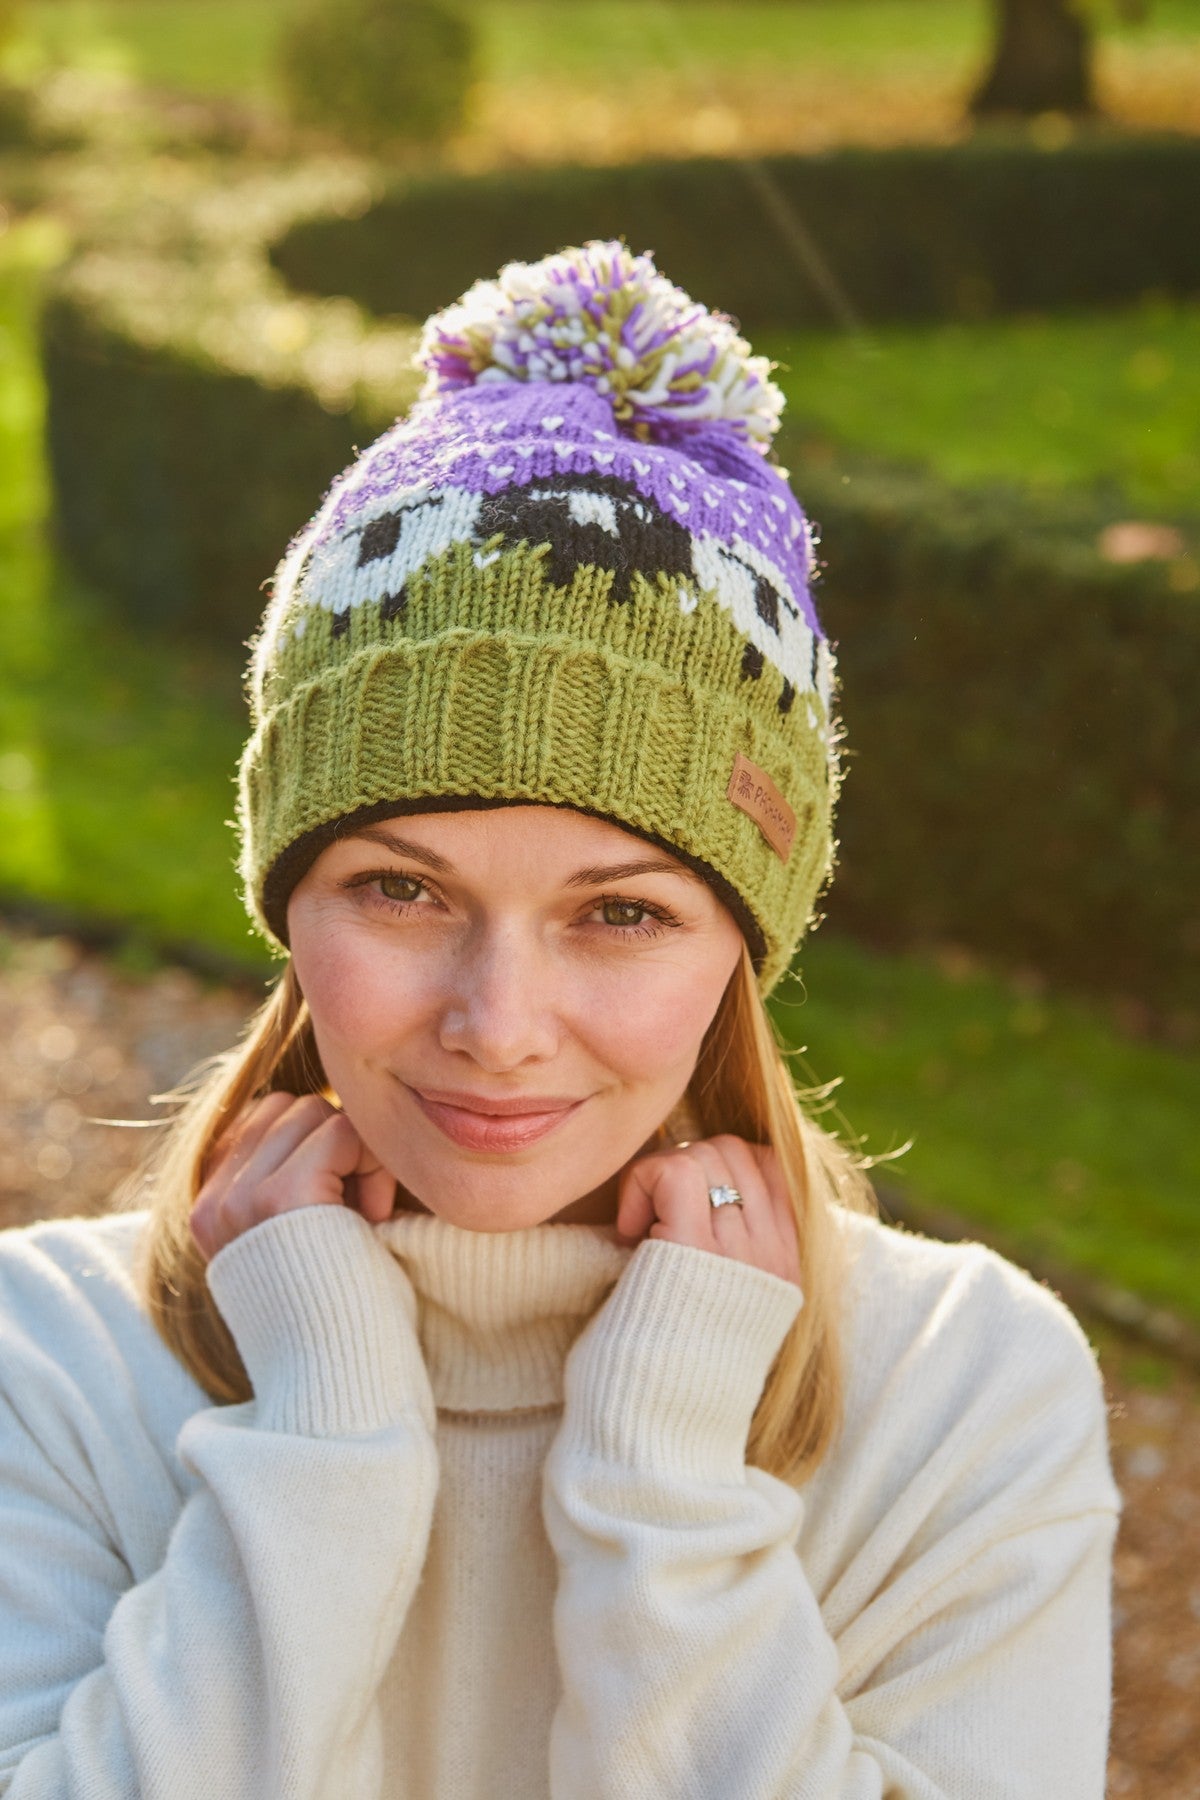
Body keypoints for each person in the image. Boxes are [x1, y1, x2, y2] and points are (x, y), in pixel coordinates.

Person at [0, 241, 1119, 1798]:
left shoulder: (962, 1390)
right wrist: (323, 1441)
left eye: (621, 913)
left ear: (746, 936)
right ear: (284, 903)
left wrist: (664, 1481)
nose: (501, 1026)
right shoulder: (44, 1363)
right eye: (400, 891)